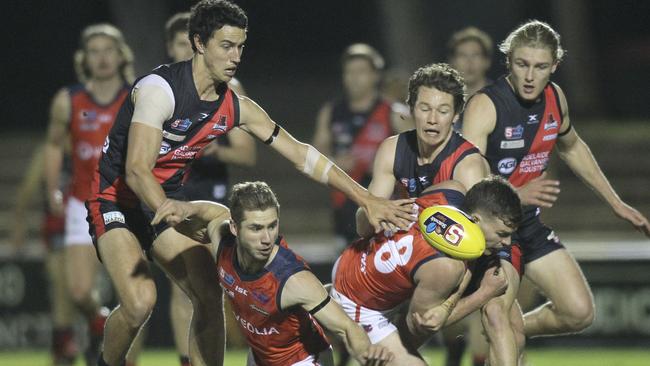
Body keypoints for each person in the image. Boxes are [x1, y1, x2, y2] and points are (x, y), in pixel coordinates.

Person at [85, 2, 412, 365]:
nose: (236, 56)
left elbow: (303, 155)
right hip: (117, 200)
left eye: (240, 46)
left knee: (208, 295)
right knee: (140, 302)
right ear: (198, 43)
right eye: (226, 45)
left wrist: (365, 198)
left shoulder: (235, 107)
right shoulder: (159, 90)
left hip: (167, 201)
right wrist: (168, 211)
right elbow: (135, 170)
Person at [461, 20, 650, 343]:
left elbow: (572, 146)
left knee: (578, 312)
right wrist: (516, 194)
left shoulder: (555, 98)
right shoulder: (486, 105)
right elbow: (465, 177)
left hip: (528, 224)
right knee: (499, 318)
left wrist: (615, 203)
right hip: (488, 231)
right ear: (509, 62)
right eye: (522, 64)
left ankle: (507, 332)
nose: (530, 76)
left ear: (555, 65)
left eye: (540, 66)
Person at [158, 181, 394, 366]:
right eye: (256, 228)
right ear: (234, 228)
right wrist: (187, 208)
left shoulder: (292, 278)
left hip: (303, 360)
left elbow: (347, 327)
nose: (266, 239)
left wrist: (367, 354)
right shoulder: (222, 241)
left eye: (272, 226)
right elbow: (213, 212)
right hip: (260, 357)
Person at [332, 176, 524, 365]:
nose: (506, 243)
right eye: (502, 234)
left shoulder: (450, 189)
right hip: (358, 303)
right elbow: (418, 326)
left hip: (354, 257)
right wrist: (484, 293)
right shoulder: (446, 267)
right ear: (475, 219)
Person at [164, 12, 255, 366]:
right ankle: (186, 360)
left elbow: (247, 154)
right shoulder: (159, 88)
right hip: (172, 195)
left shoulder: (230, 90)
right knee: (179, 286)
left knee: (215, 287)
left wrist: (212, 147)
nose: (185, 50)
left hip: (212, 196)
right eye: (178, 44)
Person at [43, 23, 134, 366]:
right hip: (81, 203)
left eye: (108, 49)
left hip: (124, 204)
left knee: (133, 296)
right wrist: (53, 188)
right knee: (79, 290)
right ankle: (100, 322)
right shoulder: (68, 100)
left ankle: (119, 356)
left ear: (120, 55)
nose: (102, 58)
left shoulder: (135, 97)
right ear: (84, 58)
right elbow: (53, 146)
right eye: (94, 51)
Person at [312, 43, 412, 244]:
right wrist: (334, 161)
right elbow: (313, 155)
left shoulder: (394, 112)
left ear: (376, 75)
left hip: (385, 204)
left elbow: (416, 152)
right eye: (349, 71)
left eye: (361, 71)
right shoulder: (331, 111)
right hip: (344, 203)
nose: (354, 77)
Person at [11, 148, 77, 365]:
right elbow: (27, 190)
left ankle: (70, 342)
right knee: (61, 288)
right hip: (57, 229)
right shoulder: (48, 153)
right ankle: (64, 346)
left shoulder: (87, 142)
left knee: (76, 290)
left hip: (85, 230)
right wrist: (20, 224)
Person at [447, 27, 493, 97]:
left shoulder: (502, 98)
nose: (469, 62)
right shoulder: (443, 99)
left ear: (487, 61)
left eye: (475, 55)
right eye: (462, 55)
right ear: (452, 62)